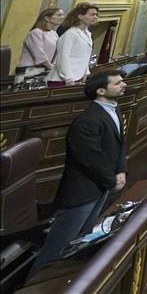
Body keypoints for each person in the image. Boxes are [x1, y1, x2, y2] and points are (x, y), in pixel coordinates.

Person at [27, 70, 128, 277]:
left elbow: (120, 144)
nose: (124, 84)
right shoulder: (87, 121)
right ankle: (33, 284)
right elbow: (91, 158)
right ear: (101, 91)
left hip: (100, 187)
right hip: (81, 193)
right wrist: (111, 179)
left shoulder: (114, 110)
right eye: (118, 83)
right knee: (58, 248)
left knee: (79, 242)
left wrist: (121, 170)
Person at [50, 3, 97, 86]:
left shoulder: (87, 34)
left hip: (78, 77)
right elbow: (63, 57)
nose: (95, 17)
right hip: (62, 80)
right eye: (92, 14)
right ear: (80, 16)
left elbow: (85, 56)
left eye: (96, 15)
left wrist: (86, 73)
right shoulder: (70, 33)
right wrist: (69, 79)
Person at [17, 7, 62, 84]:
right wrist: (51, 67)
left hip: (44, 70)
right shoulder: (36, 32)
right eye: (59, 15)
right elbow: (39, 55)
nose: (62, 17)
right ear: (47, 18)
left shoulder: (54, 33)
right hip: (28, 71)